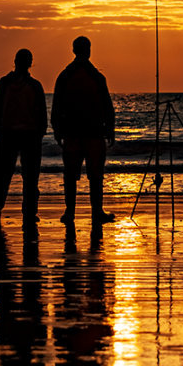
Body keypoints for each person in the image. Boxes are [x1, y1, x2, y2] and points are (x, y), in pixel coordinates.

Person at [51, 36, 115, 227]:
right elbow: (107, 105)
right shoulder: (95, 76)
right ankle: (95, 212)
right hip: (92, 133)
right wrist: (110, 128)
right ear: (88, 50)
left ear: (73, 50)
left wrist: (56, 128)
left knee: (71, 175)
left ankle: (70, 212)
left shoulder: (65, 76)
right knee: (95, 176)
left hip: (75, 133)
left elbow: (56, 106)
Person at [0, 48, 47, 229]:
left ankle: (26, 213)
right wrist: (0, 128)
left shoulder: (31, 85)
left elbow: (42, 112)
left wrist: (40, 132)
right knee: (6, 177)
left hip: (27, 135)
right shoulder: (6, 83)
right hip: (12, 134)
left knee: (24, 178)